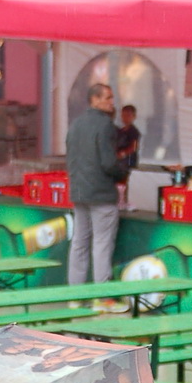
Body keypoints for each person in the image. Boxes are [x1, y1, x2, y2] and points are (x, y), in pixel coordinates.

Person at [66, 82, 127, 285]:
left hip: (79, 191)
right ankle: (102, 295)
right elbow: (108, 162)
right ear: (95, 99)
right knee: (101, 245)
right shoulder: (105, 125)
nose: (112, 102)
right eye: (108, 97)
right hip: (101, 192)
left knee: (79, 243)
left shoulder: (76, 124)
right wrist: (122, 171)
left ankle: (75, 294)